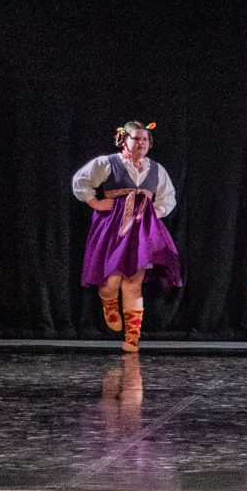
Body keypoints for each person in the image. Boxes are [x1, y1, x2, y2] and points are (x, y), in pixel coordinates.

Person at [73, 120, 181, 353]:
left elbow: (167, 197)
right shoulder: (108, 163)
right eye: (136, 138)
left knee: (133, 281)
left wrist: (152, 214)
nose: (141, 143)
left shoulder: (156, 169)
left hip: (141, 229)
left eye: (145, 139)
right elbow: (81, 181)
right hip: (113, 224)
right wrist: (94, 202)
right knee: (111, 280)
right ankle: (108, 299)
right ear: (124, 140)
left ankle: (133, 337)